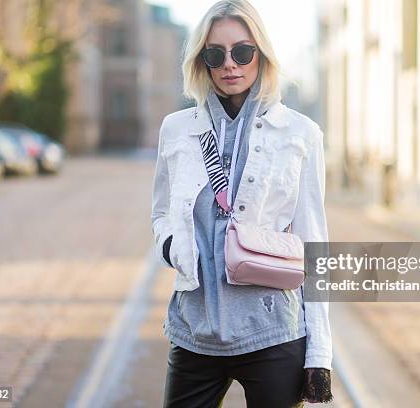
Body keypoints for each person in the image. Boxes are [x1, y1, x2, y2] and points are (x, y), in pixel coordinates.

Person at [151, 1, 333, 406]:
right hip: (194, 331)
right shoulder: (177, 130)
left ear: (261, 55)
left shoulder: (300, 134)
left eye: (242, 52)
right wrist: (174, 247)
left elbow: (314, 244)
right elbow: (161, 213)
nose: (230, 64)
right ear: (202, 61)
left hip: (273, 334)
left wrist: (319, 354)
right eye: (216, 54)